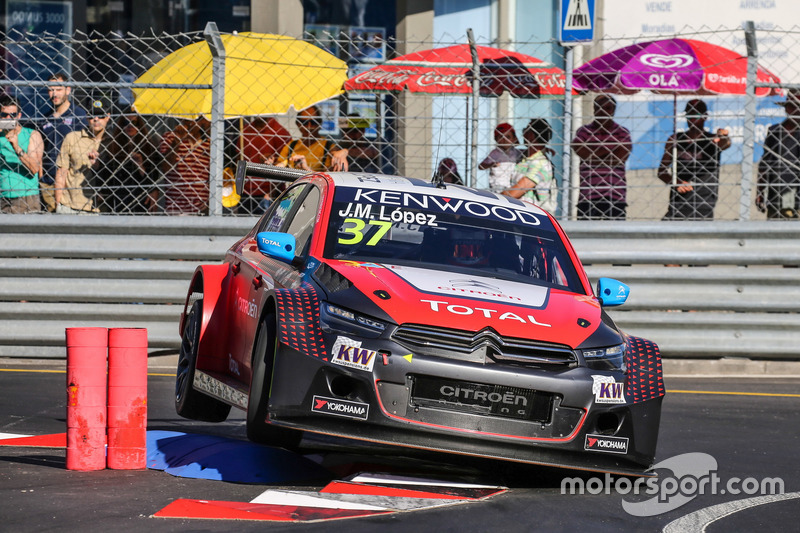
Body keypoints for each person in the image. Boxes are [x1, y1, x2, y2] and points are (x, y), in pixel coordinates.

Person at [658, 99, 731, 220]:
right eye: (689, 115)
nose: (691, 120)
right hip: (678, 202)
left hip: (703, 203)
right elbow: (661, 171)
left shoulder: (712, 140)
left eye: (696, 115)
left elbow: (725, 144)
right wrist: (675, 182)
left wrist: (723, 136)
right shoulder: (675, 140)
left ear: (705, 117)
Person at [571, 94, 632, 220]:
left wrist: (593, 151)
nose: (604, 111)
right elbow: (580, 151)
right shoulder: (583, 131)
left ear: (614, 110)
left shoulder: (622, 132)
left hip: (614, 195)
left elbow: (620, 157)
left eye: (608, 108)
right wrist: (610, 151)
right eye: (601, 107)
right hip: (588, 196)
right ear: (595, 109)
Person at [54, 96, 111, 214]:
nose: (96, 119)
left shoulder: (113, 142)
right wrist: (58, 204)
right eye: (91, 115)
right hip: (70, 206)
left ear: (108, 116)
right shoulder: (73, 138)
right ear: (86, 117)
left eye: (100, 115)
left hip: (100, 208)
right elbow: (61, 172)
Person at [39, 73, 87, 212]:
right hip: (48, 182)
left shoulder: (79, 115)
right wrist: (42, 176)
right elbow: (41, 148)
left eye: (58, 89)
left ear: (68, 90)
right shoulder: (45, 118)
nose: (54, 94)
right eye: (50, 90)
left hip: (71, 184)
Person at [96, 113, 161, 214]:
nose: (130, 126)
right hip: (117, 200)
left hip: (141, 200)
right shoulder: (113, 147)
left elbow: (153, 180)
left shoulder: (149, 148)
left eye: (134, 123)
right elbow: (106, 177)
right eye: (126, 123)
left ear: (140, 126)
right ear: (121, 126)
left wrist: (140, 166)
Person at [757, 88, 800, 219]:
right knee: (773, 233)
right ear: (786, 108)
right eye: (792, 106)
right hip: (776, 194)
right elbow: (765, 162)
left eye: (798, 107)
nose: (795, 111)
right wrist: (760, 190)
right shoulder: (774, 131)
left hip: (798, 195)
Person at [236, 116, 291, 214]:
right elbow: (238, 157)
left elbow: (285, 162)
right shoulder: (245, 129)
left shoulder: (279, 132)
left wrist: (271, 191)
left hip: (269, 192)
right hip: (246, 190)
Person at [0, 95, 44, 213]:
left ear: (19, 116)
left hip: (26, 197)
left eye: (12, 115)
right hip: (3, 197)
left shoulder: (32, 135)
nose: (8, 118)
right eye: (4, 115)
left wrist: (16, 147)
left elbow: (35, 168)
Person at [159, 116, 211, 215]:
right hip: (175, 208)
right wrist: (177, 142)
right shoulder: (170, 137)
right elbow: (166, 168)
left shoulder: (208, 143)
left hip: (201, 209)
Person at [503, 118, 557, 213]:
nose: (523, 134)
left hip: (531, 216)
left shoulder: (540, 163)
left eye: (525, 131)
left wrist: (494, 199)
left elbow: (514, 193)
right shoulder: (523, 157)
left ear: (531, 135)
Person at [272, 106, 348, 172]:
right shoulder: (291, 145)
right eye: (304, 122)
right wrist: (271, 164)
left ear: (319, 123)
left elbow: (330, 177)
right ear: (298, 124)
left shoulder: (328, 146)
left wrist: (306, 169)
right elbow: (280, 164)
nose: (309, 126)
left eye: (313, 122)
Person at [479, 122, 524, 193]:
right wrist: (491, 164)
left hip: (512, 186)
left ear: (514, 139)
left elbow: (530, 152)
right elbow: (481, 166)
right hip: (497, 187)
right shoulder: (495, 153)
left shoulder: (516, 152)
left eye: (508, 137)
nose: (504, 140)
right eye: (501, 137)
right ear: (496, 139)